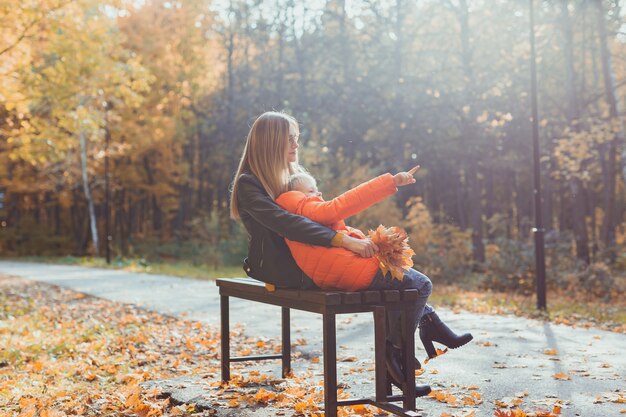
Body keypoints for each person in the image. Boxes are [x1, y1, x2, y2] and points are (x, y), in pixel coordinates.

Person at [229, 111, 472, 396]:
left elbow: (322, 216)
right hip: (286, 269)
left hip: (312, 260)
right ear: (271, 143)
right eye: (289, 139)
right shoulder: (250, 184)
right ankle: (401, 352)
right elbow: (291, 225)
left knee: (407, 285)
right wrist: (343, 241)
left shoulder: (287, 179)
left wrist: (351, 238)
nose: (296, 144)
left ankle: (412, 341)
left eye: (297, 138)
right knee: (414, 285)